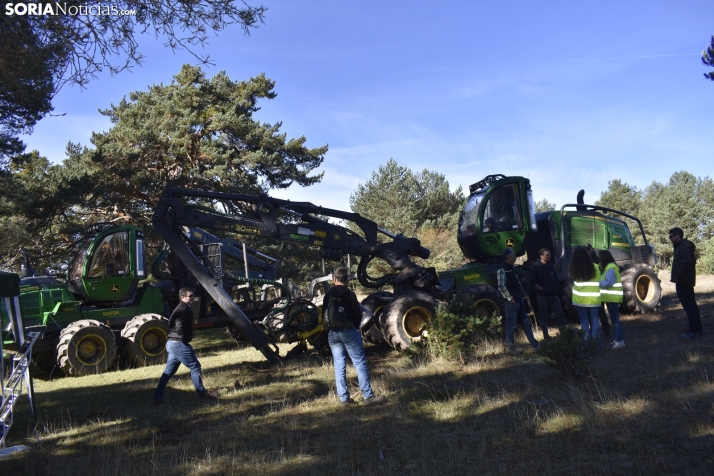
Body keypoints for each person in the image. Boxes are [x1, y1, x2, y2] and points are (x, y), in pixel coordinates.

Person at [323, 267, 386, 407]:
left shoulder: (328, 295)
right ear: (346, 280)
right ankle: (368, 396)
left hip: (333, 334)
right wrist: (355, 327)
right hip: (348, 332)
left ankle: (344, 399)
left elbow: (324, 313)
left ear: (334, 279)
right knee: (359, 363)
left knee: (339, 365)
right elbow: (358, 315)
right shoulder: (350, 295)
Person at [154, 288, 217, 405]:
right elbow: (179, 327)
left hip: (172, 344)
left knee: (168, 372)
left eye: (193, 295)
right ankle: (202, 393)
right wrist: (186, 338)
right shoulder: (182, 309)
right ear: (183, 298)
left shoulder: (184, 308)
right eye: (190, 296)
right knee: (195, 367)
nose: (193, 298)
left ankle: (158, 397)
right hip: (178, 344)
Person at [497, 248, 539, 355]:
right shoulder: (502, 270)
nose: (515, 257)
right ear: (507, 258)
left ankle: (534, 344)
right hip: (511, 303)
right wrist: (510, 298)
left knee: (526, 322)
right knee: (511, 325)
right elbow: (501, 286)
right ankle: (510, 348)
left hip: (519, 300)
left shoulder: (513, 268)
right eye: (513, 256)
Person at [669, 228, 703, 338]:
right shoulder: (683, 247)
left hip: (683, 281)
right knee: (691, 306)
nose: (670, 238)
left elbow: (687, 263)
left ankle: (694, 331)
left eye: (671, 236)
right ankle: (697, 329)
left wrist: (678, 276)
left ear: (678, 235)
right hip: (685, 280)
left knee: (689, 307)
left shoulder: (683, 247)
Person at [529, 248, 565, 339]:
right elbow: (532, 282)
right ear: (541, 256)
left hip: (553, 295)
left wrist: (555, 287)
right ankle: (546, 336)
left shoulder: (551, 266)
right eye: (547, 255)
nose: (549, 256)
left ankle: (564, 333)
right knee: (544, 317)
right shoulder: (535, 267)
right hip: (542, 296)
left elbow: (555, 278)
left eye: (550, 254)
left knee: (560, 314)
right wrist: (542, 289)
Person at [569, 246, 602, 345]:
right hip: (594, 300)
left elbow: (569, 278)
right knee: (595, 323)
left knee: (584, 324)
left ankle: (587, 346)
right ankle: (597, 345)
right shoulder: (596, 267)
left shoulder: (573, 270)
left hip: (580, 301)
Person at [598, 250, 625, 348]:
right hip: (610, 298)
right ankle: (617, 339)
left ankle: (619, 340)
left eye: (600, 258)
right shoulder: (608, 268)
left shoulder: (610, 268)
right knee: (614, 319)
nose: (599, 260)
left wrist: (599, 284)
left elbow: (609, 283)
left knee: (615, 319)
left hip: (613, 298)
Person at [584, 243, 611, 338]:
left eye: (588, 249)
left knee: (601, 311)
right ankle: (594, 331)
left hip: (598, 290)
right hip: (589, 291)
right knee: (591, 314)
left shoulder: (597, 260)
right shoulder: (584, 260)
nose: (587, 251)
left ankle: (606, 329)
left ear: (591, 250)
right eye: (585, 250)